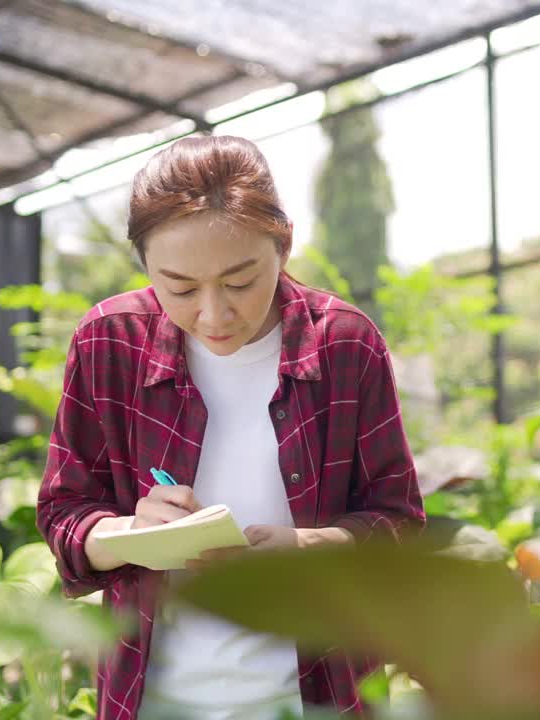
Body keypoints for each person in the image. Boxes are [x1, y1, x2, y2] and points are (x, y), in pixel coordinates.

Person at [36, 135, 425, 720]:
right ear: (145, 265)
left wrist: (307, 546)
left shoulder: (346, 343)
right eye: (181, 288)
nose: (213, 315)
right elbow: (63, 513)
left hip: (321, 691)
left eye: (240, 282)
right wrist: (129, 532)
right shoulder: (108, 342)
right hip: (153, 697)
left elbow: (398, 522)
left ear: (284, 244)